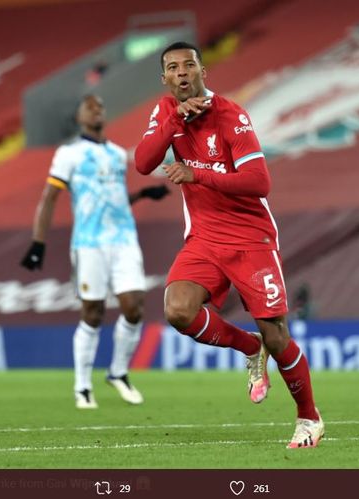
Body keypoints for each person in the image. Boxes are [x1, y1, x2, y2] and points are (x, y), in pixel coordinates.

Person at [134, 42, 324, 448]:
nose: (182, 72)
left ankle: (309, 418)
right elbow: (143, 162)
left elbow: (259, 183)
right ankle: (249, 348)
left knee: (278, 335)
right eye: (173, 68)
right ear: (165, 79)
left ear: (204, 71)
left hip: (250, 239)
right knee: (178, 310)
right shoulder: (165, 112)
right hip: (204, 239)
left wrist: (197, 175)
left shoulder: (232, 115)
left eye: (189, 65)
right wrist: (171, 125)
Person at [21, 93, 169, 409]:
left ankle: (118, 373)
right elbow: (49, 198)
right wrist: (38, 242)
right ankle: (83, 386)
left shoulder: (117, 154)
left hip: (124, 239)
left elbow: (113, 201)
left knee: (135, 307)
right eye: (89, 106)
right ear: (78, 117)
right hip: (89, 244)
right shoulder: (69, 154)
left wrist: (143, 194)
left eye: (100, 105)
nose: (96, 109)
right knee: (93, 313)